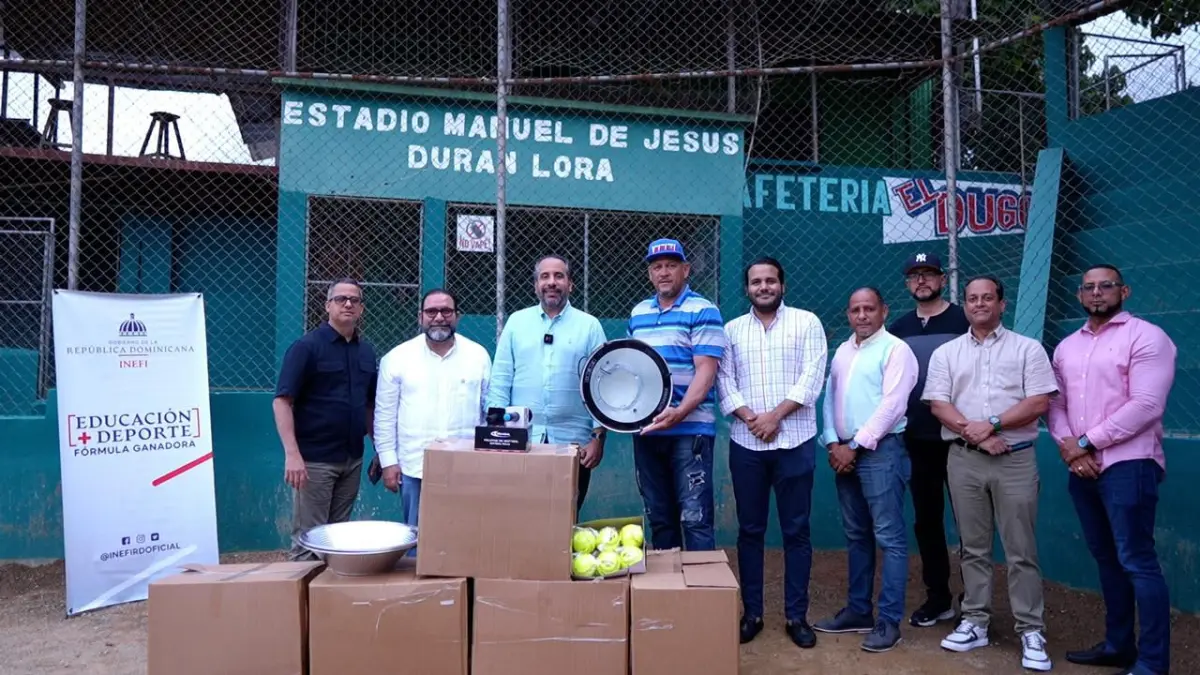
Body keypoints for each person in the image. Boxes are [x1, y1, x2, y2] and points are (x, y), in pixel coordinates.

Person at [922, 275, 1058, 672]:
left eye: (987, 298)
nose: (979, 304)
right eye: (972, 299)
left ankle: (1031, 629)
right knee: (973, 546)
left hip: (1014, 459)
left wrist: (993, 425)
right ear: (964, 305)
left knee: (1020, 549)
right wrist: (978, 436)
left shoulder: (1028, 349)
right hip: (964, 458)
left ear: (1002, 303)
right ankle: (975, 621)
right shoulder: (948, 353)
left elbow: (1038, 402)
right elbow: (938, 404)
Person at [1048, 264, 1176, 675]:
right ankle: (1119, 645)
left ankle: (1153, 662)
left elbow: (1145, 405)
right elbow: (1056, 405)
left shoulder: (1147, 337)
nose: (1097, 293)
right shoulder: (1067, 346)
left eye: (1106, 286)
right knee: (1107, 560)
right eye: (1089, 288)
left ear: (1125, 291)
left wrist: (1086, 443)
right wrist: (1072, 450)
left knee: (1137, 559)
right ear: (1080, 296)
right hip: (1081, 468)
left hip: (1128, 464)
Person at [716, 256, 828, 650]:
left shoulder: (807, 322)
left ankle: (797, 616)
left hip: (794, 441)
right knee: (750, 530)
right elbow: (723, 380)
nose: (763, 287)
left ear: (782, 284)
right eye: (755, 282)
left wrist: (776, 416)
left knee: (797, 530)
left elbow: (812, 377)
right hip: (748, 445)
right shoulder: (730, 331)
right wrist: (752, 418)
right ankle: (753, 614)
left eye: (770, 281)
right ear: (746, 288)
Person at [813, 287, 918, 653]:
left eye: (869, 309)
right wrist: (832, 442)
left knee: (889, 538)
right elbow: (829, 398)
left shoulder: (896, 350)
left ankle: (889, 622)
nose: (862, 315)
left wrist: (854, 446)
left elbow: (892, 406)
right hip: (843, 452)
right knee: (857, 536)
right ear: (848, 314)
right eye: (855, 309)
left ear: (883, 311)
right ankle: (859, 611)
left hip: (880, 453)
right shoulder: (843, 351)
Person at [886, 252, 970, 628]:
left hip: (962, 437)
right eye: (914, 275)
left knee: (970, 522)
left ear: (942, 278)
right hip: (918, 437)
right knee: (927, 521)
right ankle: (939, 598)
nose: (922, 280)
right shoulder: (899, 326)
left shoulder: (964, 319)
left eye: (929, 274)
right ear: (907, 283)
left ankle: (975, 602)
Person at [488, 255, 608, 515]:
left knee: (565, 518)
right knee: (521, 517)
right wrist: (497, 434)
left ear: (570, 284)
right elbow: (500, 380)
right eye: (545, 276)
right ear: (535, 285)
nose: (551, 282)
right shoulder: (516, 323)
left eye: (559, 276)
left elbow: (602, 385)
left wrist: (598, 438)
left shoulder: (590, 326)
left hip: (574, 444)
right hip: (521, 441)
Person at [372, 288, 491, 547]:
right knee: (418, 542)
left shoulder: (478, 356)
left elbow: (487, 412)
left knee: (463, 538)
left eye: (446, 311)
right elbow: (384, 415)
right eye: (431, 311)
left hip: (466, 465)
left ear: (457, 317)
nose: (439, 317)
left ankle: (460, 586)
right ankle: (420, 588)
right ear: (420, 317)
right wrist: (388, 462)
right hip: (415, 465)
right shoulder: (397, 358)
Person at [628, 237, 725, 551]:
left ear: (686, 270)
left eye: (671, 265)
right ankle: (667, 594)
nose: (664, 272)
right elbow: (631, 368)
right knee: (659, 517)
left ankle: (701, 595)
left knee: (694, 518)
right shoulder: (639, 312)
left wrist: (679, 413)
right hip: (648, 430)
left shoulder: (703, 310)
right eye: (657, 267)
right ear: (649, 274)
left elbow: (707, 372)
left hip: (689, 431)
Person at [273, 278, 378, 561]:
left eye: (354, 300)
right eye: (341, 299)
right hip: (315, 462)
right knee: (310, 539)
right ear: (327, 305)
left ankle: (326, 600)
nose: (348, 304)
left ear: (361, 309)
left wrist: (379, 450)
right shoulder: (306, 348)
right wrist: (292, 455)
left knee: (335, 538)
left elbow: (370, 406)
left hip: (352, 460)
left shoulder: (367, 352)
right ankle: (298, 600)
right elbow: (282, 401)